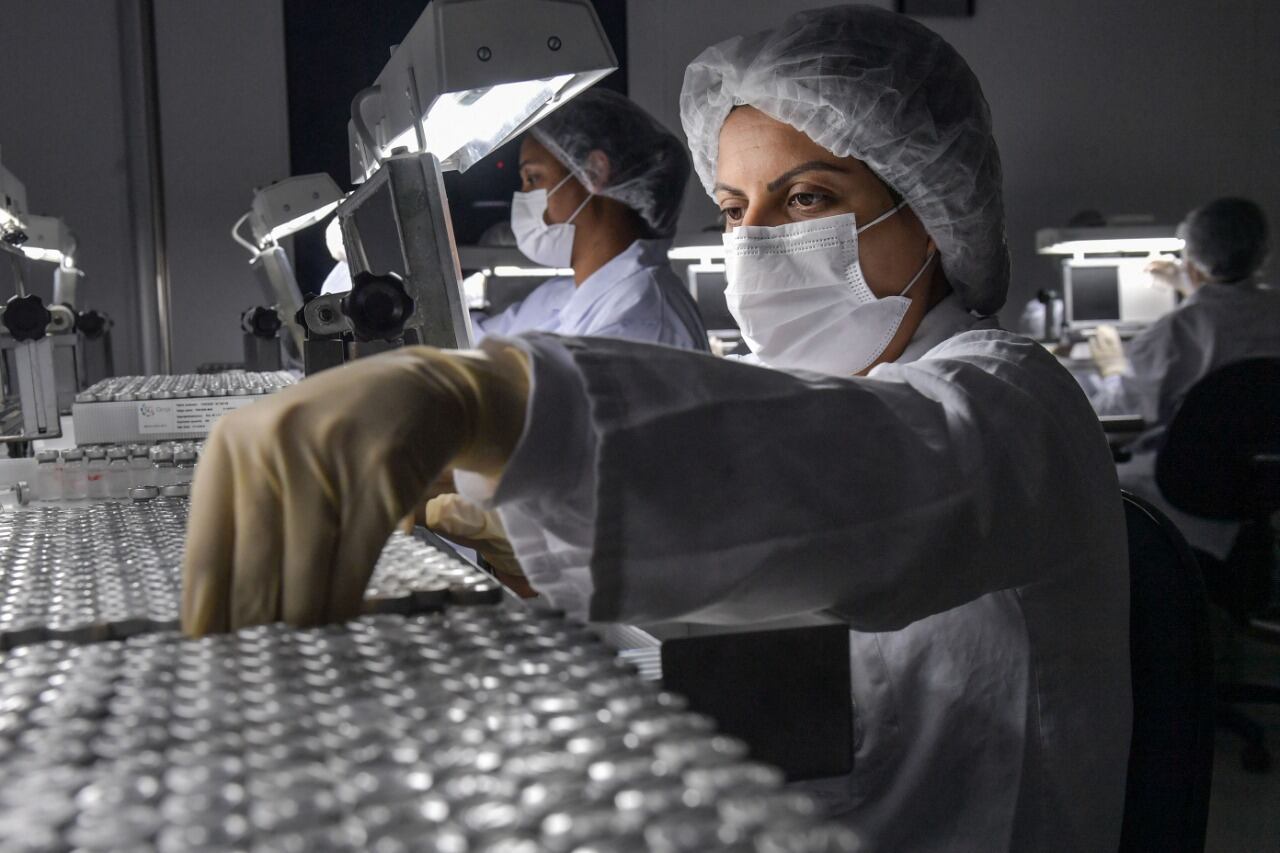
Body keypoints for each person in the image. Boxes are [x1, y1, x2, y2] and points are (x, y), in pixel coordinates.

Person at [182, 6, 1130, 851]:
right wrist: (542, 542)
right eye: (735, 209)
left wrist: (495, 403)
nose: (758, 239)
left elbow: (854, 474)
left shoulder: (1012, 399)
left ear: (929, 214)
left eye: (807, 198)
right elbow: (744, 553)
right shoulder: (791, 382)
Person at [1090, 197, 1280, 557]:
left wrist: (1113, 369)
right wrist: (1189, 281)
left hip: (1187, 499)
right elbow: (1233, 311)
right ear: (1264, 253)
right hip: (1266, 489)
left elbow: (1116, 422)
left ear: (1191, 259)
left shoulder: (1173, 333)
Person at [470, 88, 708, 351]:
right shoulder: (571, 294)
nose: (524, 196)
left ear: (595, 171)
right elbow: (475, 340)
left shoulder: (643, 324)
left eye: (533, 178)